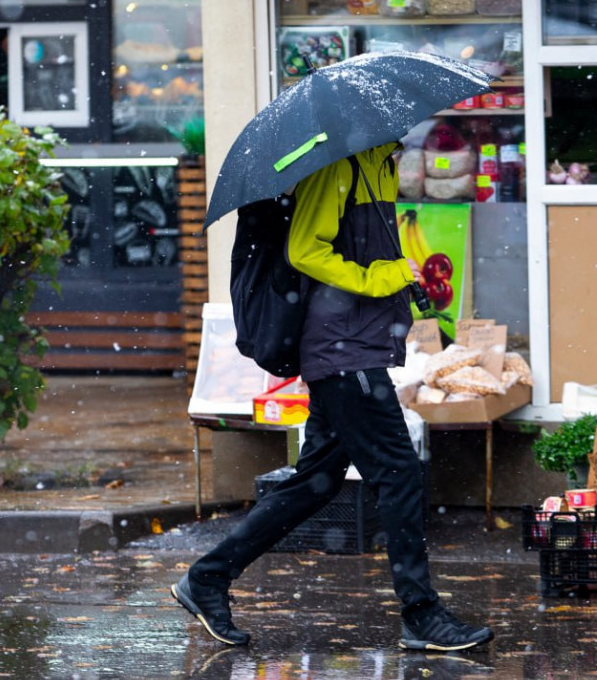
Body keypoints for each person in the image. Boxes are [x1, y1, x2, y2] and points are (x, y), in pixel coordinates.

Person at [171, 141, 493, 652]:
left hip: (355, 343)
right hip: (342, 349)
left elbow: (361, 245)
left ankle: (208, 578)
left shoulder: (379, 165)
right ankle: (420, 614)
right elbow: (305, 249)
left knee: (316, 483)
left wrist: (396, 273)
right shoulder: (337, 168)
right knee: (400, 472)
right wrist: (379, 277)